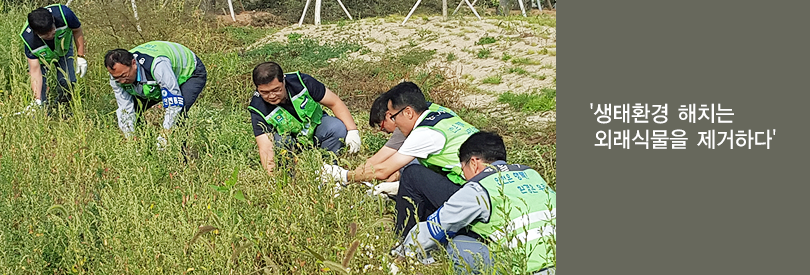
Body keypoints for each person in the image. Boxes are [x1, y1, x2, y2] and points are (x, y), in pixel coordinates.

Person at [320, 81, 478, 236]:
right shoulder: (439, 114)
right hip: (480, 186)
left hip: (471, 195)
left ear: (408, 112)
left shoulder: (424, 133)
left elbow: (382, 170)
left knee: (412, 174)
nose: (394, 124)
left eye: (394, 117)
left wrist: (344, 176)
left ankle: (402, 236)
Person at [392, 131, 557, 275]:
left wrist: (402, 254)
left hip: (528, 268)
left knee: (458, 245)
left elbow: (435, 227)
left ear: (473, 163)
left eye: (463, 169)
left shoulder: (479, 187)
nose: (464, 177)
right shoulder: (531, 174)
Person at [249, 61, 361, 175]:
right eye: (264, 92)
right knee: (279, 142)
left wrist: (353, 131)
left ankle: (329, 169)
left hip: (316, 130)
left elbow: (334, 102)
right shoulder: (257, 107)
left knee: (337, 128)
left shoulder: (301, 82)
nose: (271, 96)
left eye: (276, 90)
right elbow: (266, 148)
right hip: (291, 143)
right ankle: (290, 175)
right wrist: (271, 179)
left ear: (284, 80)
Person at [104, 41, 207, 148]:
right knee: (134, 112)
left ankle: (179, 157)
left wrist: (164, 135)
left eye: (124, 75)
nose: (121, 81)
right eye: (117, 78)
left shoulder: (158, 66)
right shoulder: (116, 77)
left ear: (134, 63)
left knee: (179, 113)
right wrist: (130, 137)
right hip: (154, 81)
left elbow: (174, 104)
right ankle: (143, 148)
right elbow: (125, 108)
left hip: (189, 72)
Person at [365, 90, 459, 193]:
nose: (386, 132)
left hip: (457, 182)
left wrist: (348, 176)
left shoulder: (412, 125)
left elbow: (379, 164)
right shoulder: (429, 111)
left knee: (410, 168)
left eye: (382, 127)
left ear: (389, 115)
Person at [20, 4, 87, 111]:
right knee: (40, 94)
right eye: (47, 35)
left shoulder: (65, 14)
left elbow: (77, 30)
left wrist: (81, 56)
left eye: (52, 29)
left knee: (68, 82)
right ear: (36, 33)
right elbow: (35, 70)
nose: (52, 33)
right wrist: (37, 99)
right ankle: (44, 114)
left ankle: (62, 109)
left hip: (63, 49)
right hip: (43, 56)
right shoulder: (29, 40)